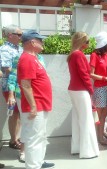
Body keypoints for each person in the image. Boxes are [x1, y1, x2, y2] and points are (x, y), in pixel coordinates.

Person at [17, 30, 54, 169]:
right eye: (40, 40)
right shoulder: (27, 58)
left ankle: (37, 164)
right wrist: (33, 106)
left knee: (39, 138)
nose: (42, 42)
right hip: (36, 106)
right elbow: (25, 84)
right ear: (32, 42)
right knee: (34, 139)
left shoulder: (34, 57)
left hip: (40, 105)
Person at [67, 32, 99, 158]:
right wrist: (90, 89)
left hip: (74, 89)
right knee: (86, 120)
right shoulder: (78, 54)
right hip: (80, 90)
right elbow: (84, 74)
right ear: (80, 41)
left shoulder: (72, 54)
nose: (88, 44)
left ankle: (77, 148)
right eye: (86, 41)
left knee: (77, 119)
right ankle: (87, 151)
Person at [90, 31, 107, 145]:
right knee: (100, 116)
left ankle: (101, 134)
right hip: (100, 88)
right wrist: (105, 79)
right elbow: (91, 74)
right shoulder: (94, 55)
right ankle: (99, 137)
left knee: (104, 114)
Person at [0, 24, 23, 150]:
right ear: (10, 35)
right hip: (10, 85)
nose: (21, 37)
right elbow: (6, 68)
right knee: (14, 112)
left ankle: (16, 138)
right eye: (19, 34)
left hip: (19, 84)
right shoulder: (5, 49)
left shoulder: (19, 48)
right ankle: (13, 140)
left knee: (18, 112)